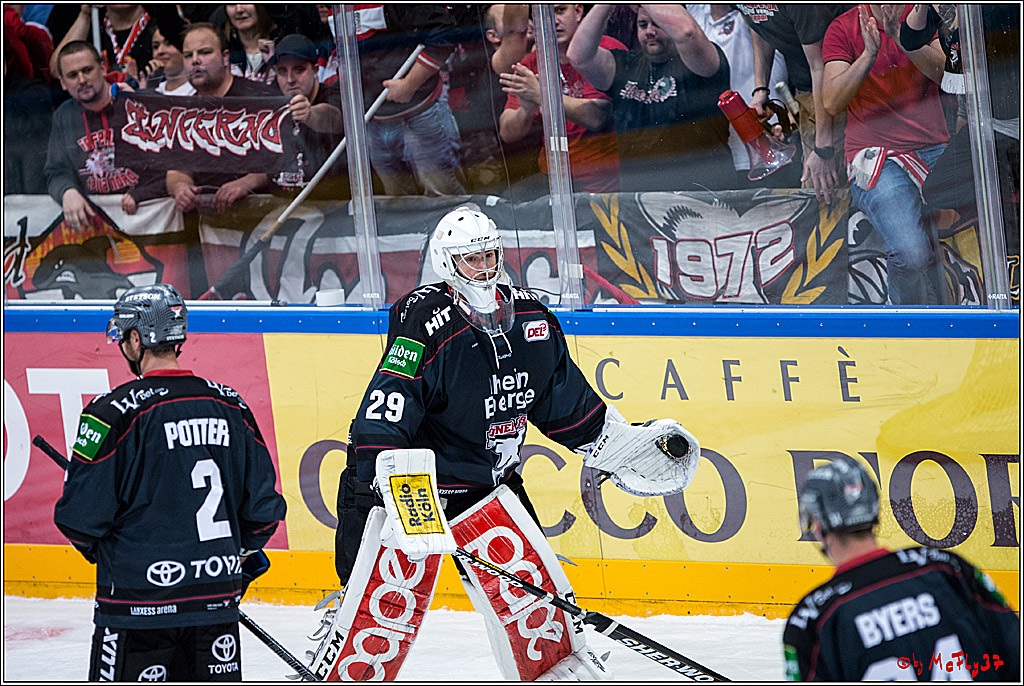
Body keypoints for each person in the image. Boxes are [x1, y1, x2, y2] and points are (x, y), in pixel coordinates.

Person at [309, 206, 701, 681]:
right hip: (414, 484)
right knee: (374, 615)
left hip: (491, 486)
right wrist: (385, 485)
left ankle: (555, 671)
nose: (485, 268)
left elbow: (566, 406)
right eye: (471, 259)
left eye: (490, 255)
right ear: (448, 263)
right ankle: (337, 656)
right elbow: (388, 406)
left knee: (538, 609)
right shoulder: (425, 321)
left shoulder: (533, 321)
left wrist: (622, 449)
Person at [53, 283, 287, 681]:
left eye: (123, 336)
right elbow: (264, 510)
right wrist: (239, 557)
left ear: (136, 338)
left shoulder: (111, 413)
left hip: (136, 609)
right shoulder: (232, 405)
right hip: (215, 605)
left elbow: (79, 519)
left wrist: (106, 551)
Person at [783, 459, 1019, 681]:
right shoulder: (946, 568)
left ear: (816, 523)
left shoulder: (812, 618)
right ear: (874, 508)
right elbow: (1013, 647)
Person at [822, 5, 950, 306]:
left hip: (933, 147)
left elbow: (945, 75)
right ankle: (909, 326)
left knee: (988, 226)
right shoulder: (843, 28)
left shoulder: (921, 15)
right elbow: (831, 102)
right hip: (876, 157)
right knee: (911, 255)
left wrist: (900, 36)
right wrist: (867, 55)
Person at [567, 3, 734, 193]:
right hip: (642, 204)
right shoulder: (625, 65)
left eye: (657, 24)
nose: (649, 32)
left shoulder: (702, 59)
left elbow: (686, 32)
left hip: (705, 197)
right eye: (643, 24)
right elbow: (578, 56)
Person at [499, 3, 623, 194]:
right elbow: (507, 132)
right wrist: (527, 110)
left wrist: (542, 95)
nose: (554, 21)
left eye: (560, 10)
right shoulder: (532, 62)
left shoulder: (606, 49)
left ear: (578, 11)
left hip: (604, 181)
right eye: (546, 14)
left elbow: (598, 117)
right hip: (554, 180)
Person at [735, 4, 851, 204]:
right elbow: (758, 24)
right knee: (817, 193)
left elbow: (821, 67)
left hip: (842, 85)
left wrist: (824, 149)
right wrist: (761, 88)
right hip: (807, 88)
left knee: (830, 192)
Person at [355, 4, 467, 197]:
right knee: (400, 206)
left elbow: (444, 33)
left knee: (444, 198)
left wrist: (409, 84)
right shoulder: (333, 9)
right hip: (374, 121)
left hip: (419, 112)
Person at [166, 23, 276, 215]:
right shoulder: (183, 112)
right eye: (187, 55)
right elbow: (176, 170)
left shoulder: (259, 98)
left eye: (205, 52)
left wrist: (247, 183)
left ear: (226, 57)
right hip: (208, 224)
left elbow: (284, 160)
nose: (195, 61)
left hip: (265, 216)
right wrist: (180, 189)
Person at [687, 4, 796, 189]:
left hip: (776, 145)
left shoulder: (756, 13)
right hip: (728, 154)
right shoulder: (695, 12)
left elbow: (755, 14)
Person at [44, 40, 143, 228]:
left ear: (103, 68)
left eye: (87, 70)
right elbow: (56, 172)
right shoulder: (63, 116)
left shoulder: (134, 99)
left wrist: (145, 192)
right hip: (97, 226)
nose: (82, 80)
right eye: (73, 75)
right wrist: (67, 192)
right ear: (63, 83)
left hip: (145, 215)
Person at [268, 33, 344, 194]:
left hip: (331, 202)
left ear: (315, 70)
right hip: (283, 204)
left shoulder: (333, 94)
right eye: (282, 71)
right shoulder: (271, 101)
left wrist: (310, 114)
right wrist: (243, 183)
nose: (290, 79)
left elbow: (335, 118)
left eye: (299, 69)